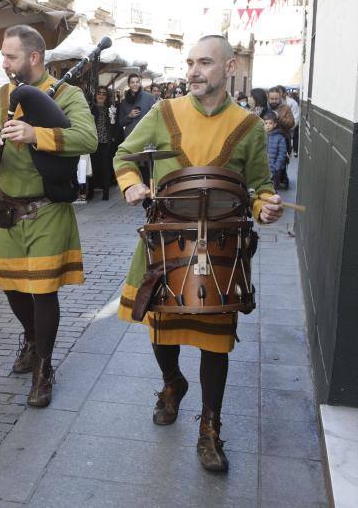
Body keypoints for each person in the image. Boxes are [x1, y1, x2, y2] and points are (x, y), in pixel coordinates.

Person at [114, 35, 283, 472]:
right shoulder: (163, 111)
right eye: (189, 62)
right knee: (160, 328)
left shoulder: (248, 125)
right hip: (165, 243)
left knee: (215, 343)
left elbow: (261, 188)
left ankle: (210, 428)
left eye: (204, 62)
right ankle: (172, 382)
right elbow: (124, 154)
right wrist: (132, 183)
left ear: (228, 68)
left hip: (221, 246)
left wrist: (266, 208)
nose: (193, 71)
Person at [0, 25, 96, 407]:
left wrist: (35, 134)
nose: (3, 63)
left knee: (42, 292)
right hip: (7, 207)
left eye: (10, 57)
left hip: (47, 209)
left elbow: (88, 139)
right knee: (12, 287)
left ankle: (44, 366)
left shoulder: (69, 95)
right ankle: (33, 337)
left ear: (34, 57)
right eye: (3, 56)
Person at [89, 85, 117, 200]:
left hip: (105, 143)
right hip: (93, 142)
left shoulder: (110, 109)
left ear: (107, 97)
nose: (101, 95)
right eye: (99, 93)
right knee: (92, 168)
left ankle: (106, 194)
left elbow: (114, 125)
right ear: (95, 96)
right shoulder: (90, 109)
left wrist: (113, 118)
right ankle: (90, 193)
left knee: (105, 168)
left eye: (104, 94)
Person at [267, 86, 294, 189]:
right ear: (268, 98)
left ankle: (282, 181)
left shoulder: (285, 108)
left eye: (276, 99)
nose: (274, 101)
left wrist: (279, 118)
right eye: (272, 99)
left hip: (282, 139)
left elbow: (291, 123)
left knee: (281, 164)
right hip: (267, 139)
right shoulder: (266, 107)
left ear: (280, 97)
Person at [263, 110, 287, 189]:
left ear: (275, 124)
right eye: (266, 123)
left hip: (275, 171)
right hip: (262, 171)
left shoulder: (280, 138)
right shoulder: (260, 136)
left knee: (272, 191)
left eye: (270, 123)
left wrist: (276, 168)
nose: (268, 125)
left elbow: (282, 154)